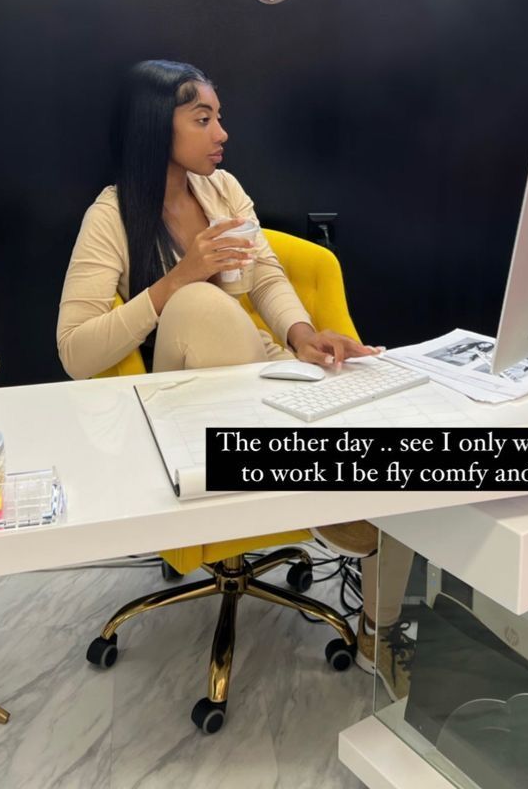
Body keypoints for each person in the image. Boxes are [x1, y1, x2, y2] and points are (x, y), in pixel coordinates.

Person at [57, 59, 413, 696]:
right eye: (203, 119)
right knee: (199, 304)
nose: (222, 132)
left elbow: (270, 276)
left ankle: (381, 631)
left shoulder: (224, 191)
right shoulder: (111, 216)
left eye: (219, 116)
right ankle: (321, 487)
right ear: (153, 129)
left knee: (389, 422)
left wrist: (304, 336)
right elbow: (75, 351)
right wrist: (175, 282)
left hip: (257, 377)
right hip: (181, 405)